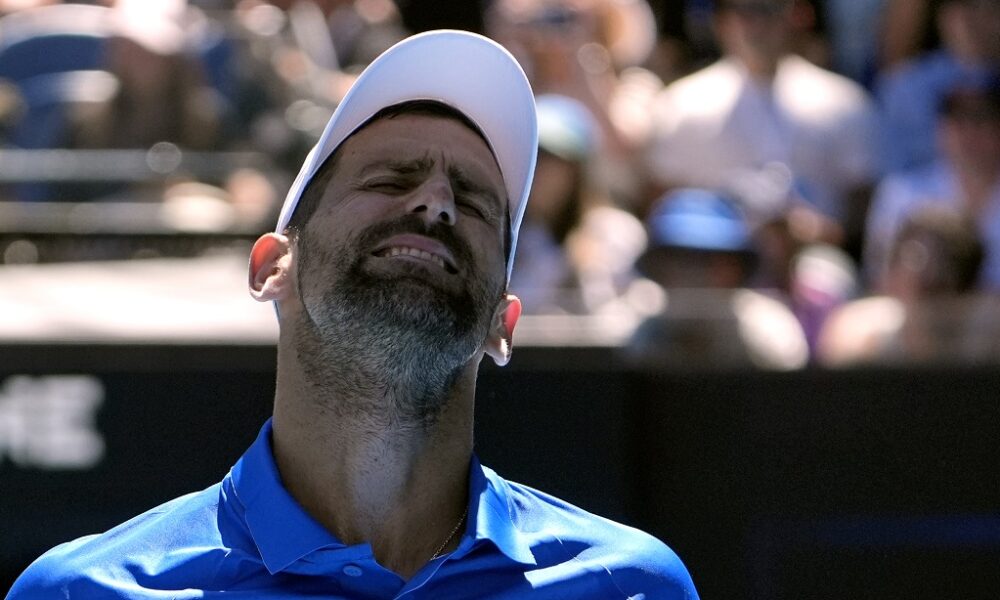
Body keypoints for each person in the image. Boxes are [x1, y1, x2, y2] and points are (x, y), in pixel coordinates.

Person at [8, 30, 698, 598]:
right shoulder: (81, 590)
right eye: (390, 178)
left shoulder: (633, 585)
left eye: (475, 202)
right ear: (271, 268)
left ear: (504, 322)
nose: (435, 203)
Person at [644, 0, 879, 243]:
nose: (758, 25)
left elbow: (864, 205)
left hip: (816, 262)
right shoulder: (681, 104)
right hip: (709, 264)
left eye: (770, 11)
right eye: (745, 12)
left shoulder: (845, 103)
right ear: (722, 21)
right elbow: (660, 203)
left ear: (796, 17)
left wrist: (822, 231)